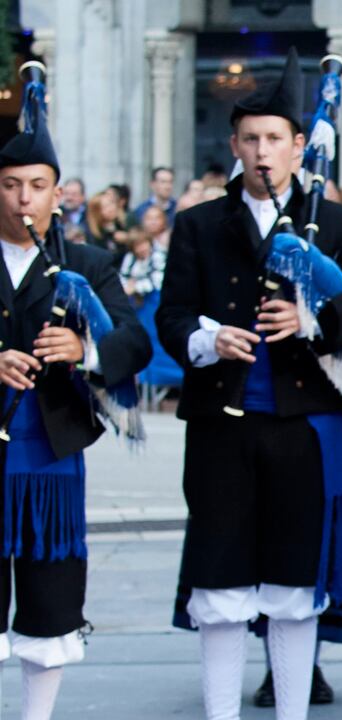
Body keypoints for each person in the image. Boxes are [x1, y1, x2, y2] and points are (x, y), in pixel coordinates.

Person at [155, 48, 342, 720]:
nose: (262, 151)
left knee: (294, 586)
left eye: (274, 139)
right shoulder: (199, 224)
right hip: (220, 425)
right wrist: (207, 340)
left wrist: (313, 319)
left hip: (305, 425)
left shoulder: (335, 221)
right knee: (220, 586)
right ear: (234, 146)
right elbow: (171, 317)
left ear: (298, 147)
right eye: (250, 139)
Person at [0, 69, 151, 720]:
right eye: (9, 185)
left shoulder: (85, 263)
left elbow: (135, 341)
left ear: (57, 193)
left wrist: (84, 351)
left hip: (51, 459)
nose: (22, 200)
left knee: (49, 606)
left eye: (36, 186)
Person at [119, 228, 166, 303]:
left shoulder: (157, 256)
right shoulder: (130, 257)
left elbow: (156, 281)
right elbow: (123, 275)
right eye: (137, 246)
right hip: (134, 296)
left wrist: (136, 287)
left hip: (155, 295)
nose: (141, 248)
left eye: (144, 244)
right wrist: (126, 286)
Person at [86, 191, 128, 259]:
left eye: (112, 203)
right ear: (97, 211)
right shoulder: (94, 234)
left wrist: (129, 239)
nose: (111, 208)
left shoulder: (122, 225)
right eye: (106, 207)